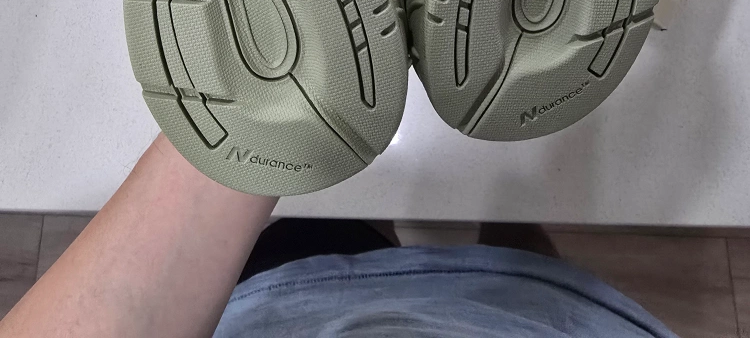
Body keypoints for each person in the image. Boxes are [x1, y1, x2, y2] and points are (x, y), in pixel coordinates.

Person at [0, 133, 677, 337]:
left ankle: (510, 215)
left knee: (332, 233)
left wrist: (252, 119)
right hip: (556, 321)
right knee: (524, 266)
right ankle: (513, 225)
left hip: (292, 306)